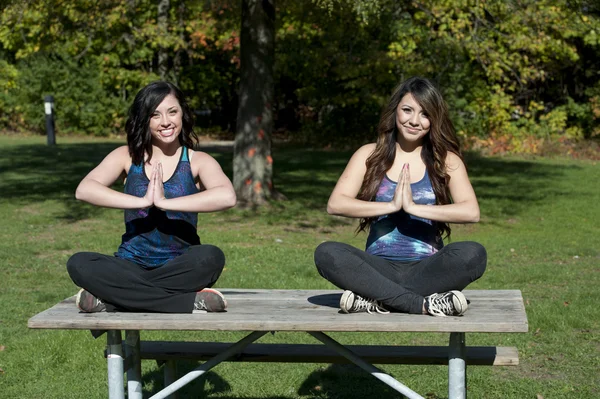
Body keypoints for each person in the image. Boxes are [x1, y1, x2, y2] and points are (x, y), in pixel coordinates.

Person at [313, 77, 486, 317]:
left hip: (428, 270)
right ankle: (423, 305)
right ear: (395, 110)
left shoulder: (446, 160)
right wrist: (392, 205)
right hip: (377, 269)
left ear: (434, 120)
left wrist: (414, 208)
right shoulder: (369, 154)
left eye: (425, 114)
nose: (414, 121)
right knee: (327, 253)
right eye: (407, 110)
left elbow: (471, 212)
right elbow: (336, 204)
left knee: (473, 254)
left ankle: (376, 299)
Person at [66, 81, 236, 314]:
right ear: (144, 120)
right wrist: (143, 201)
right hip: (129, 266)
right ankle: (185, 302)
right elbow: (84, 189)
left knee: (211, 257)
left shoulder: (198, 161)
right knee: (79, 263)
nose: (165, 122)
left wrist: (165, 203)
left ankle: (114, 300)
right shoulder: (127, 156)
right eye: (155, 115)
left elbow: (227, 196)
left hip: (180, 267)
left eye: (172, 112)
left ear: (183, 114)